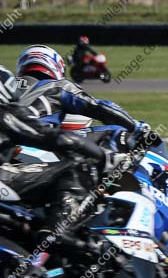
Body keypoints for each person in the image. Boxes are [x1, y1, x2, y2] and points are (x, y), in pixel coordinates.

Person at [0, 65, 128, 237]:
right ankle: (57, 233)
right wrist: (105, 156)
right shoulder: (58, 87)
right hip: (22, 160)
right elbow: (60, 137)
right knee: (78, 167)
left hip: (20, 156)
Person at [14, 45, 146, 140]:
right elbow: (99, 107)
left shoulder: (7, 85)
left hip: (6, 147)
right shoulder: (59, 86)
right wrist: (137, 127)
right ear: (54, 64)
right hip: (34, 145)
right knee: (119, 134)